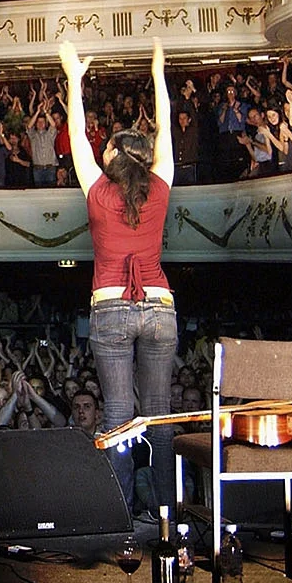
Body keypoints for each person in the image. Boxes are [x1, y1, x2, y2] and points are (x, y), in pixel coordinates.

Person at [61, 36, 175, 517]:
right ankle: (168, 513)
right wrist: (157, 73)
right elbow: (166, 125)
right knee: (161, 416)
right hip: (160, 306)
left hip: (110, 306)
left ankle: (121, 513)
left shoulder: (96, 188)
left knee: (117, 416)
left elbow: (75, 132)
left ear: (110, 157)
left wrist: (74, 78)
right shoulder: (162, 183)